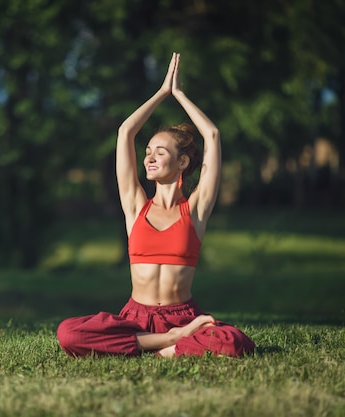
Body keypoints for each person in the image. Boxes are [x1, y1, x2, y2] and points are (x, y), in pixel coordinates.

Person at [56, 52, 255, 358]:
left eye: (160, 152)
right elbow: (125, 132)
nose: (149, 158)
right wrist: (162, 93)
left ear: (182, 161)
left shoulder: (196, 209)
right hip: (136, 319)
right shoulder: (135, 206)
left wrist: (181, 95)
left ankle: (156, 346)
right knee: (68, 333)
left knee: (234, 341)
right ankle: (169, 344)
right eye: (148, 151)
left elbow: (212, 135)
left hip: (184, 316)